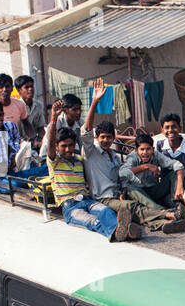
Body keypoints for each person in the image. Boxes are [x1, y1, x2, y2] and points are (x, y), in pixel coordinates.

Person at [80, 81, 185, 235]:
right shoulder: (90, 152)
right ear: (96, 137)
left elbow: (121, 178)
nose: (106, 141)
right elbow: (86, 130)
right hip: (104, 198)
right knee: (132, 207)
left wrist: (122, 190)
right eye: (102, 137)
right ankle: (168, 215)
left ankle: (164, 223)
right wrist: (95, 101)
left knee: (136, 210)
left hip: (119, 194)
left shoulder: (114, 156)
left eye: (109, 138)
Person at [43, 104, 136, 242]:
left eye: (70, 145)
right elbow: (50, 143)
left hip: (88, 200)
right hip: (70, 206)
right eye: (63, 146)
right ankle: (117, 233)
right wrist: (54, 119)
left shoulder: (79, 160)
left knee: (106, 211)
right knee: (93, 221)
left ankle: (122, 230)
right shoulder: (54, 162)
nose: (68, 149)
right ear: (57, 147)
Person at [121, 130, 185, 209]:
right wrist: (145, 166)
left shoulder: (156, 154)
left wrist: (179, 186)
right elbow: (123, 173)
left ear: (153, 149)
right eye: (142, 149)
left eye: (148, 149)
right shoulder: (133, 157)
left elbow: (177, 165)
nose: (145, 152)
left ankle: (176, 204)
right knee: (130, 188)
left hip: (153, 189)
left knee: (174, 173)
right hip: (139, 192)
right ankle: (161, 210)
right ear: (136, 150)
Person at [39, 93, 83, 160]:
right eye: (75, 110)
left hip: (65, 154)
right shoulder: (56, 122)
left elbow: (82, 144)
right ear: (65, 110)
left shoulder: (80, 122)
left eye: (79, 109)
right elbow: (50, 143)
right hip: (48, 157)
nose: (78, 112)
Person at [14, 75, 44, 142]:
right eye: (26, 87)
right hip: (19, 143)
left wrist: (43, 141)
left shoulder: (39, 105)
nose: (30, 89)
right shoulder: (15, 107)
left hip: (35, 141)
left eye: (31, 86)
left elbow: (41, 128)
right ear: (19, 90)